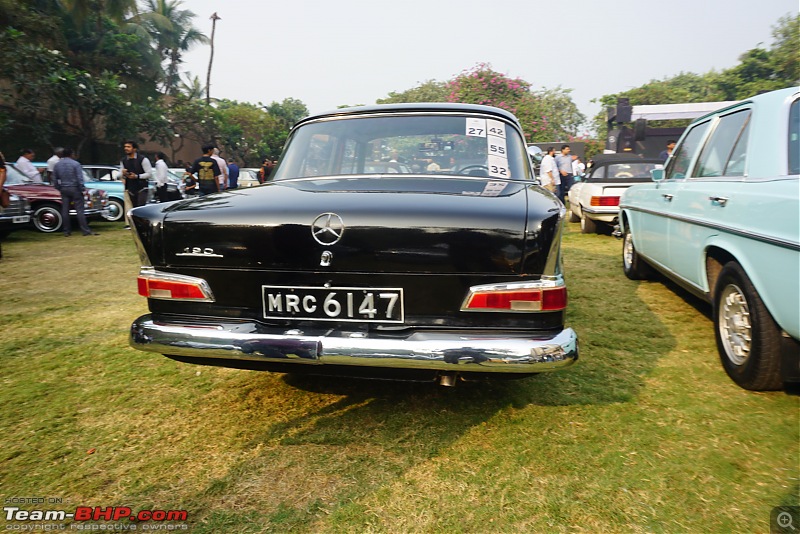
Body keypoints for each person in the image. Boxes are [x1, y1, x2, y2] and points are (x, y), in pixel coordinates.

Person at [52, 148, 97, 237]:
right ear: (71, 154)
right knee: (80, 210)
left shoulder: (57, 165)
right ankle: (85, 230)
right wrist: (82, 188)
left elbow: (54, 179)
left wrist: (58, 187)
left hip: (64, 188)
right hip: (75, 188)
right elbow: (79, 178)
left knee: (65, 210)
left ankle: (66, 231)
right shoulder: (76, 164)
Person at [120, 140, 152, 228]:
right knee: (133, 207)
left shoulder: (143, 159)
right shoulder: (124, 161)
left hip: (142, 187)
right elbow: (120, 174)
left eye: (128, 147)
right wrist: (123, 173)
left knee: (140, 207)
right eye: (125, 147)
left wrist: (137, 176)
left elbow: (149, 174)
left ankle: (143, 225)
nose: (126, 148)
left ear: (134, 149)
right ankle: (135, 225)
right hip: (130, 187)